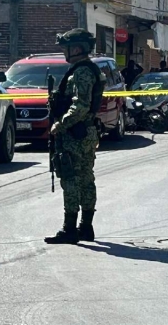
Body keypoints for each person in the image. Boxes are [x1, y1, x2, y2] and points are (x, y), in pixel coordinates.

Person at [45, 28, 105, 245]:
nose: (64, 52)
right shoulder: (86, 70)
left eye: (66, 48)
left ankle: (70, 229)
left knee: (71, 178)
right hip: (85, 132)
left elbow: (80, 106)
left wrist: (60, 125)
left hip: (75, 134)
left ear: (77, 48)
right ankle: (85, 227)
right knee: (86, 179)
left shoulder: (81, 72)